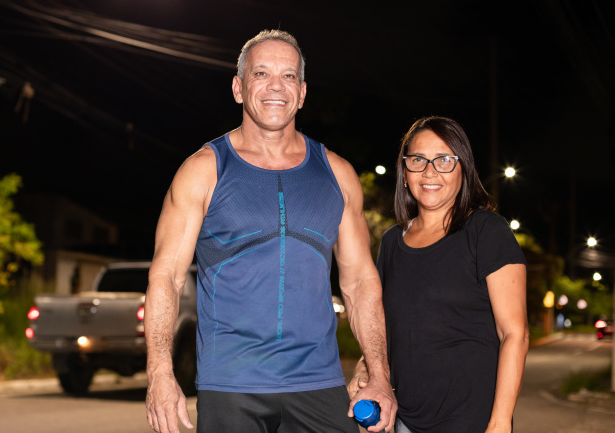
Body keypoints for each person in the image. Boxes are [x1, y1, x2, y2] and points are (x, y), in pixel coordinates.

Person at [144, 29, 397, 433]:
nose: (276, 86)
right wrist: (160, 373)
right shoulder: (203, 170)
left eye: (289, 76)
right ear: (238, 87)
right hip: (231, 386)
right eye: (261, 74)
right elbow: (166, 276)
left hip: (320, 382)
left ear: (302, 91)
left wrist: (380, 373)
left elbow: (361, 282)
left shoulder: (338, 174)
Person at [349, 116, 529, 433]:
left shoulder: (487, 232)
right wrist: (366, 370)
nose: (430, 172)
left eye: (444, 160)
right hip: (405, 420)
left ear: (464, 169)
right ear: (404, 172)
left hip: (472, 421)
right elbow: (386, 329)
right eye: (418, 160)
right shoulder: (392, 242)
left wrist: (500, 423)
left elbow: (515, 334)